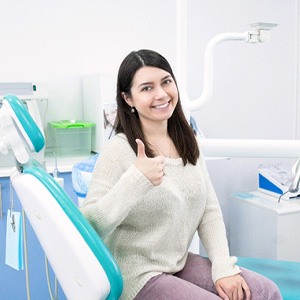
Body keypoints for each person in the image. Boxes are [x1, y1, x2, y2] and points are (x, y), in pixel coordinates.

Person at [80, 49, 282, 300]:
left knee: (265, 292)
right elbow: (88, 226)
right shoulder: (119, 150)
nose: (161, 94)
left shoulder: (187, 142)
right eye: (146, 88)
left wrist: (223, 268)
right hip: (136, 274)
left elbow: (209, 210)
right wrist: (135, 180)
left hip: (177, 262)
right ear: (128, 98)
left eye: (166, 82)